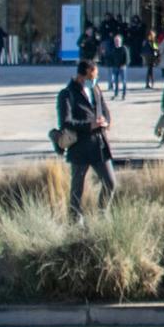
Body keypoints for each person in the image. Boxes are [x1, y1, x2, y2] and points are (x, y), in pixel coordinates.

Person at [57, 59, 115, 219]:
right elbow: (66, 122)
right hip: (80, 148)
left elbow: (104, 108)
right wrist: (90, 125)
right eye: (92, 77)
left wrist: (107, 122)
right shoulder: (67, 94)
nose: (95, 80)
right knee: (77, 188)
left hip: (99, 145)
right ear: (83, 76)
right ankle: (75, 221)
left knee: (110, 182)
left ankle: (102, 215)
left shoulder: (95, 89)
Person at [106, 34, 129, 100]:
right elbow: (111, 58)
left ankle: (124, 94)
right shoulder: (113, 49)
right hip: (115, 67)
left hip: (122, 67)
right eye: (115, 41)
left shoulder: (124, 48)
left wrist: (124, 64)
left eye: (118, 41)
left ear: (120, 41)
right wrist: (111, 64)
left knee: (123, 81)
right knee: (116, 81)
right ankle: (116, 94)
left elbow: (127, 58)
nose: (116, 42)